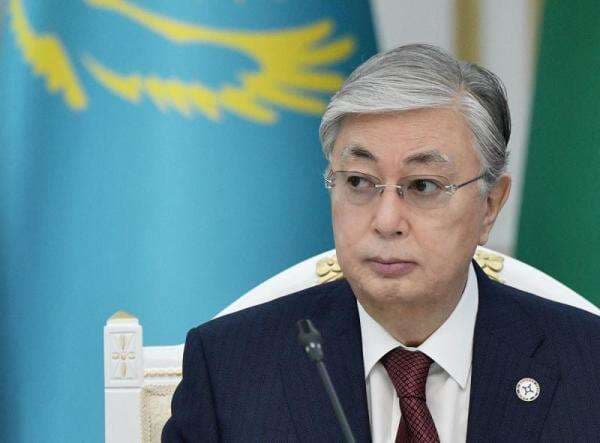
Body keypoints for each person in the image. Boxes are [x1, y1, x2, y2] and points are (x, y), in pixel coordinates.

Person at [162, 44, 600, 442]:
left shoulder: (588, 366)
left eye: (423, 185)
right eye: (358, 181)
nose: (386, 221)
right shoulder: (229, 368)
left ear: (489, 205)